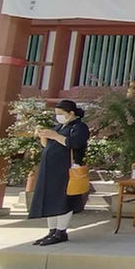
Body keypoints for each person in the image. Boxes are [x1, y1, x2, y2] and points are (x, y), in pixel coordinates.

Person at [29, 100, 90, 246]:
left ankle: (61, 231)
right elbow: (48, 146)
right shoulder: (59, 126)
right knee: (51, 198)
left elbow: (74, 144)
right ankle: (52, 230)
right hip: (51, 168)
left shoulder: (79, 127)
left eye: (61, 114)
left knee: (63, 199)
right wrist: (44, 135)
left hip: (66, 168)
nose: (58, 117)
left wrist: (55, 135)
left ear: (71, 113)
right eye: (56, 114)